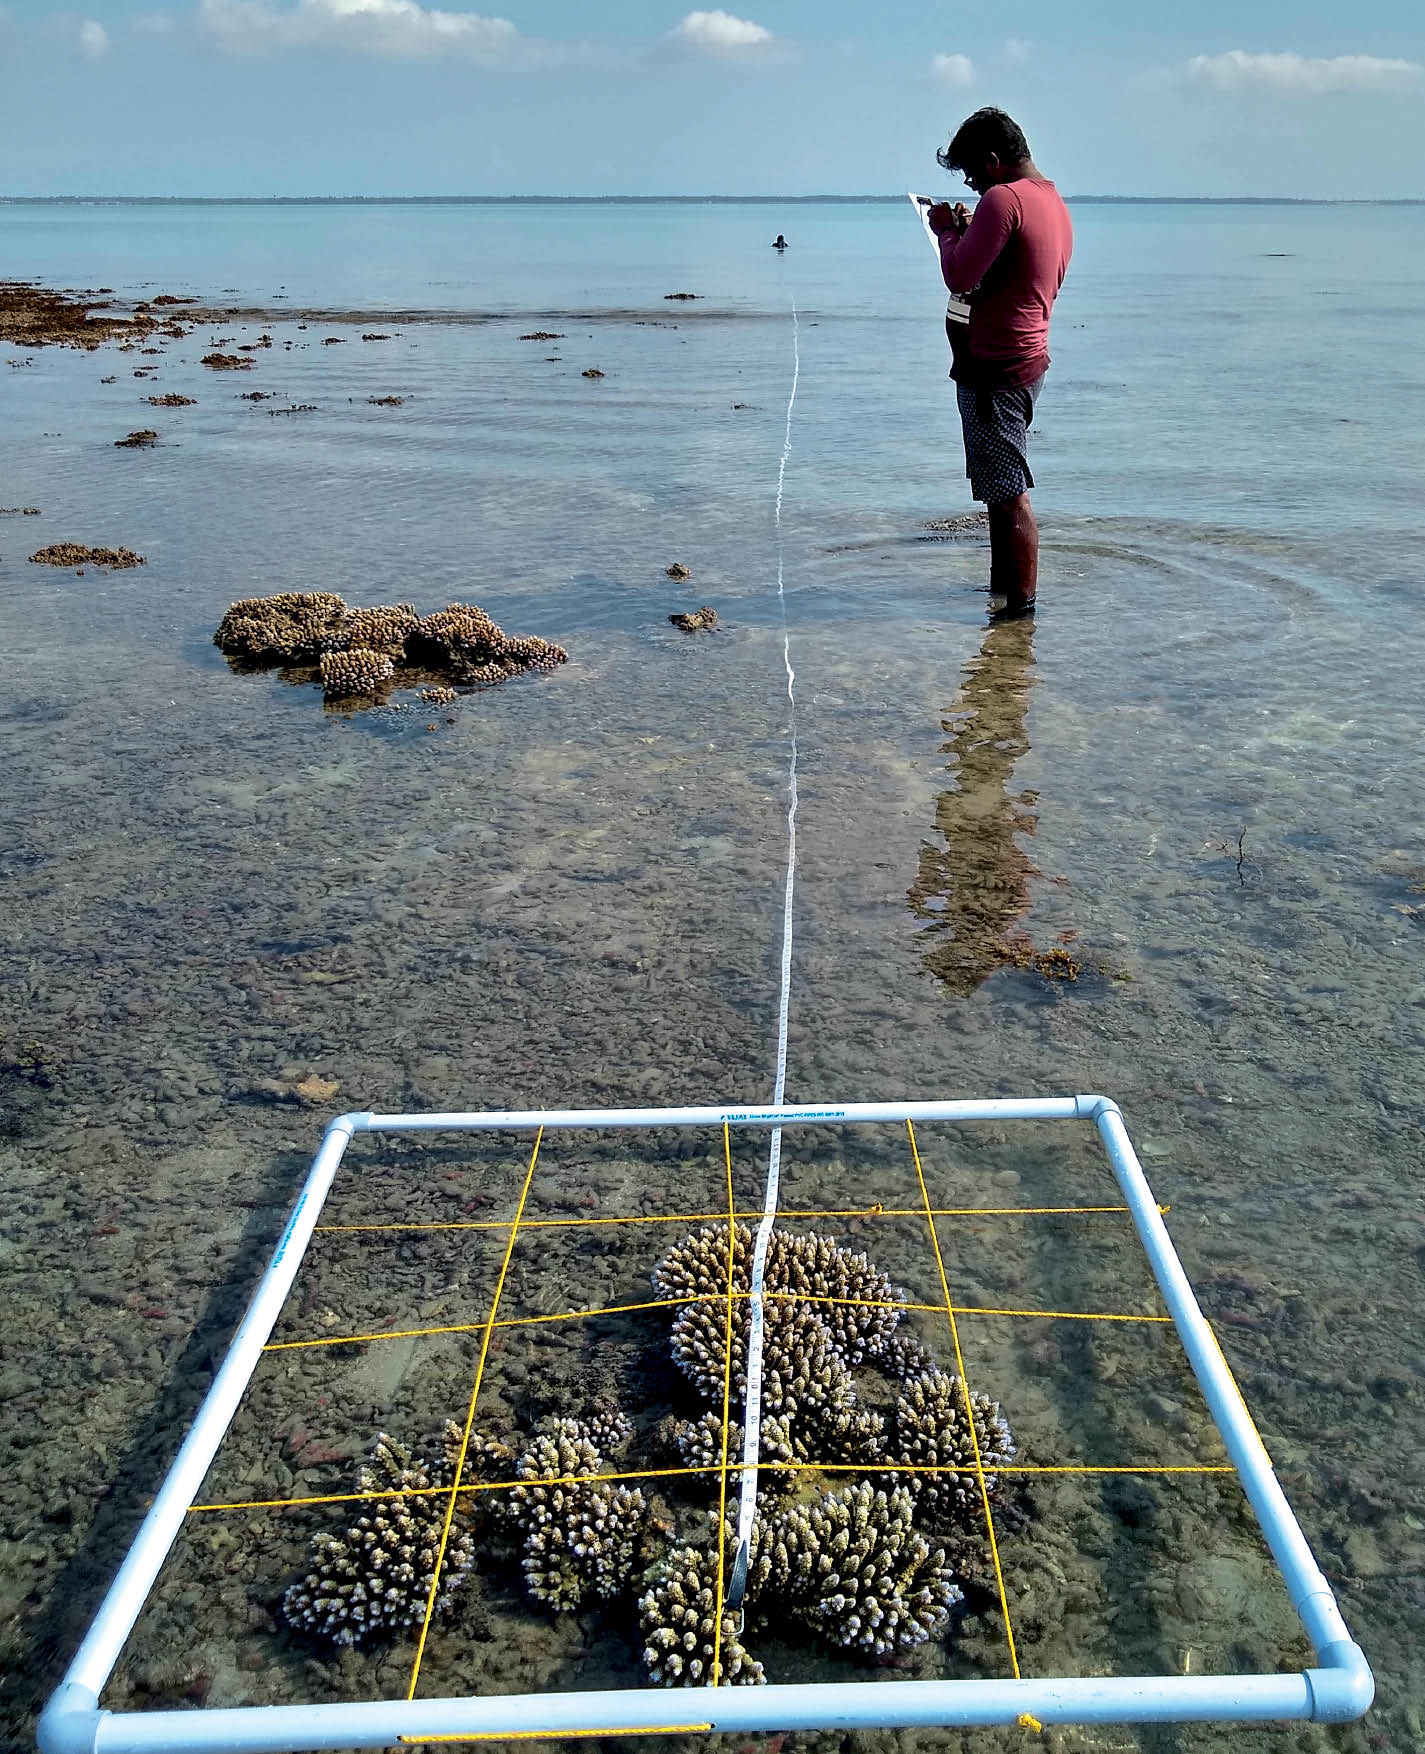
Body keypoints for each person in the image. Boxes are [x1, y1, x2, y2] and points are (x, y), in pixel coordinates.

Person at [926, 108, 1073, 618]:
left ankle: (1020, 613)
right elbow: (1012, 273)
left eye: (970, 171)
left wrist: (946, 231)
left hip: (996, 367)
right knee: (998, 489)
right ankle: (1001, 594)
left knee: (1009, 495)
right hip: (1027, 359)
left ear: (993, 160)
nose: (968, 182)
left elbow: (960, 275)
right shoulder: (1048, 200)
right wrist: (970, 231)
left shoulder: (1003, 198)